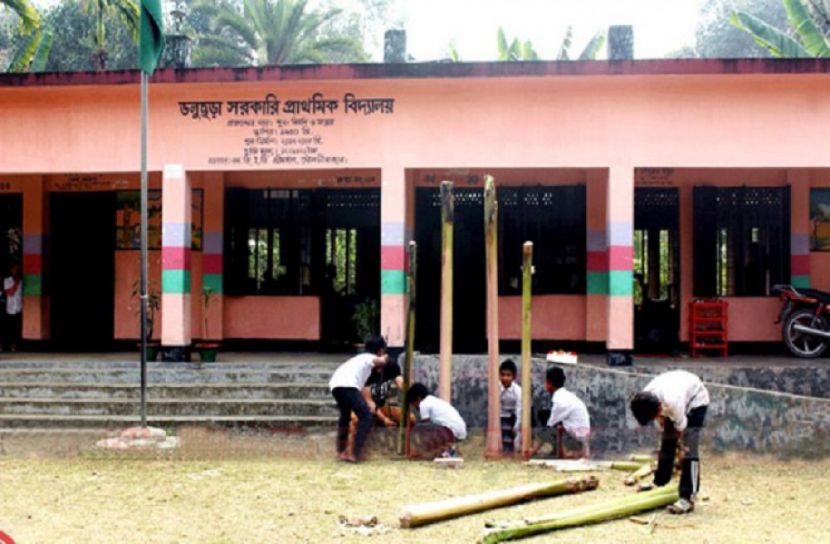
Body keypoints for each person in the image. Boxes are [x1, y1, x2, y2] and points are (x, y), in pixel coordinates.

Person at [630, 369, 710, 515]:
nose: (658, 418)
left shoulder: (673, 401)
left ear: (659, 407)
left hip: (696, 400)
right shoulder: (645, 398)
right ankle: (660, 482)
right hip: (676, 393)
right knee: (667, 442)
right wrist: (667, 430)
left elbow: (681, 428)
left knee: (690, 450)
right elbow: (664, 426)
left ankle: (688, 497)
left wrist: (682, 449)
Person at [328, 336, 389, 463]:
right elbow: (381, 361)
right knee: (366, 417)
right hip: (348, 386)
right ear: (379, 350)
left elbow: (360, 388)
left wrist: (369, 402)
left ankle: (341, 451)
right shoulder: (368, 357)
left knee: (345, 416)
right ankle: (355, 453)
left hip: (336, 385)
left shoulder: (357, 359)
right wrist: (387, 356)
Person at [407, 382, 467, 459]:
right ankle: (446, 450)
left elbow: (426, 427)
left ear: (418, 398)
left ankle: (446, 452)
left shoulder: (423, 404)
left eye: (413, 404)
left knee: (421, 428)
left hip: (449, 431)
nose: (415, 407)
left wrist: (421, 447)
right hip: (460, 431)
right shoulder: (434, 400)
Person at [543, 366, 591, 458]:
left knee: (553, 431)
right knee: (558, 428)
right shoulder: (566, 396)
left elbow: (548, 428)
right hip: (581, 437)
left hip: (578, 440)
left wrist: (532, 451)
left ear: (549, 383)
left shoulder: (559, 401)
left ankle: (567, 455)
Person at [499, 359, 522, 454]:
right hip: (503, 415)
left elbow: (519, 409)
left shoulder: (518, 391)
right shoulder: (496, 387)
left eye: (508, 375)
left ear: (514, 376)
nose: (505, 378)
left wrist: (516, 425)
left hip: (515, 415)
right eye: (503, 375)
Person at [2, 263, 22, 353]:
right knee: (9, 328)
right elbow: (10, 292)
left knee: (17, 329)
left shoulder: (22, 281)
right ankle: (6, 346)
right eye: (14, 269)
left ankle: (15, 346)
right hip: (10, 309)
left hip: (19, 308)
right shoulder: (7, 280)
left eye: (17, 269)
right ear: (11, 270)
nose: (16, 271)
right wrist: (16, 283)